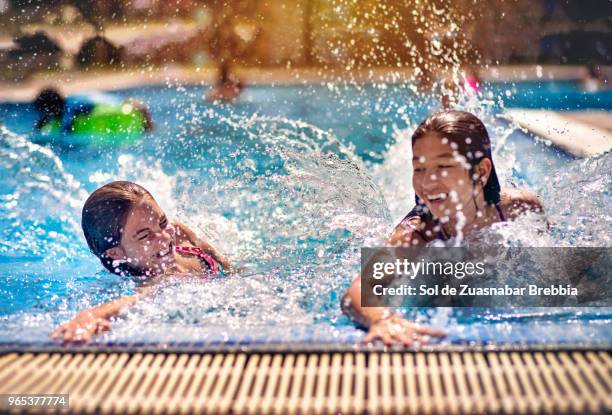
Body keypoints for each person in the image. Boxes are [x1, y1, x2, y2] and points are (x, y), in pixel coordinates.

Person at [341, 111, 544, 346]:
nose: (427, 182)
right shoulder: (416, 236)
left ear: (481, 172)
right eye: (419, 169)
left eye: (443, 166)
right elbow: (358, 290)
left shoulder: (519, 209)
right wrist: (382, 319)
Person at [51, 181, 231, 342]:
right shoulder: (151, 281)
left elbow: (226, 265)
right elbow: (134, 300)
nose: (165, 238)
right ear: (115, 253)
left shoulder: (177, 231)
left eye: (161, 222)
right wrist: (90, 316)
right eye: (145, 235)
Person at [33, 88, 154, 133]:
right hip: (127, 102)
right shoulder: (73, 98)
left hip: (125, 106)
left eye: (44, 111)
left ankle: (148, 128)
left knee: (146, 128)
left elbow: (66, 129)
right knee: (148, 129)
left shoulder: (69, 107)